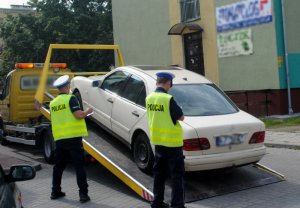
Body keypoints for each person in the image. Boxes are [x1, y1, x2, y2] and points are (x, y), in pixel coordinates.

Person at [49, 75, 93, 203]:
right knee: (79, 166)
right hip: (73, 138)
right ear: (67, 86)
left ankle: (55, 191)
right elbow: (78, 115)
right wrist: (88, 111)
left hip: (60, 139)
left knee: (58, 166)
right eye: (69, 86)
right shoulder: (71, 99)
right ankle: (83, 195)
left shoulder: (53, 103)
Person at [146, 72, 185, 208]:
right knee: (176, 175)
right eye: (170, 84)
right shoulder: (168, 99)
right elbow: (181, 117)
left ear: (157, 82)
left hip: (158, 142)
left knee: (159, 174)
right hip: (173, 143)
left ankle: (156, 202)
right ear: (168, 83)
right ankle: (177, 205)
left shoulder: (149, 98)